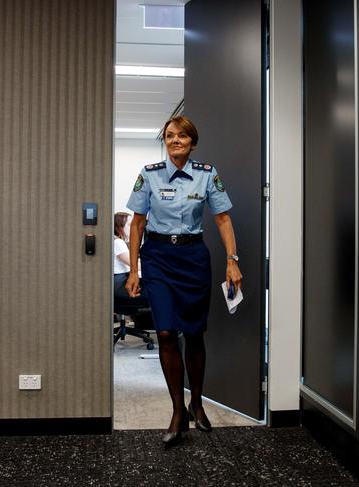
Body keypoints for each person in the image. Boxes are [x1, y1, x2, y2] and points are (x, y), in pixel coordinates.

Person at [125, 115, 242, 447]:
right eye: (170, 135)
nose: (175, 140)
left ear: (193, 141)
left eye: (182, 136)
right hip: (159, 258)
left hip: (192, 259)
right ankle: (178, 411)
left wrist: (233, 261)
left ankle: (198, 401)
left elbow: (222, 219)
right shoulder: (149, 175)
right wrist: (134, 270)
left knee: (193, 334)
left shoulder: (207, 175)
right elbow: (136, 225)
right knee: (164, 332)